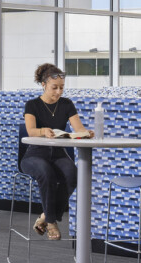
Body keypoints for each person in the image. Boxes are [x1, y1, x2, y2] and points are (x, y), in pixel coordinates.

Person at [20, 63, 93, 240]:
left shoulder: (67, 104)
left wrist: (85, 133)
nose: (59, 92)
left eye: (61, 87)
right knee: (47, 173)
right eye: (55, 88)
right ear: (44, 85)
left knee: (73, 175)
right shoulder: (32, 105)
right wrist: (43, 131)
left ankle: (45, 216)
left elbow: (78, 128)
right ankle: (52, 222)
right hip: (35, 155)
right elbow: (30, 131)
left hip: (59, 154)